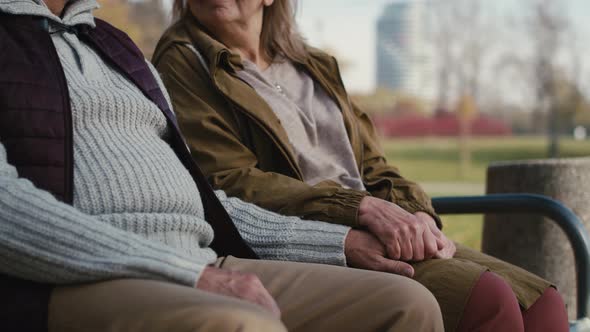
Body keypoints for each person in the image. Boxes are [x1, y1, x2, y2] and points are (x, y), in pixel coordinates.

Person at [0, 0, 446, 331]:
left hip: (201, 259)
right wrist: (184, 273)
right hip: (80, 276)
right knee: (244, 325)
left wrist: (336, 241)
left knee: (407, 305)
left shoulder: (116, 49)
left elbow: (202, 198)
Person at [152, 0, 570, 331]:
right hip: (313, 236)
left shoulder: (314, 65)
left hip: (378, 223)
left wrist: (418, 216)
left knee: (542, 303)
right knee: (487, 302)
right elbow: (230, 180)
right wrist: (358, 210)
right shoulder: (183, 61)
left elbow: (373, 163)